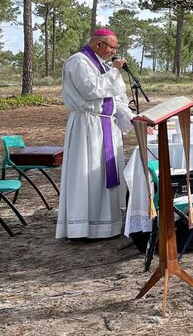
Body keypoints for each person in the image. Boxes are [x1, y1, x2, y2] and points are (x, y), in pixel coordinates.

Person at [56, 29, 151, 240]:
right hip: (87, 126)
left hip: (106, 125)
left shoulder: (103, 66)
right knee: (87, 174)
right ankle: (82, 228)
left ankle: (107, 225)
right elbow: (92, 90)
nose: (114, 52)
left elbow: (117, 99)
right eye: (111, 47)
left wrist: (135, 120)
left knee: (102, 177)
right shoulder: (78, 62)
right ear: (98, 44)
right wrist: (115, 72)